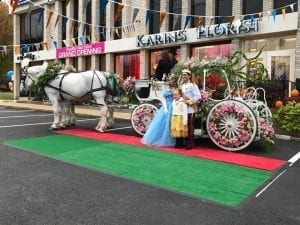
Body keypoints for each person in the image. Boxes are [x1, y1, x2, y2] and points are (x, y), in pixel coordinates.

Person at [141, 74, 178, 147]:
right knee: (163, 122)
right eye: (170, 79)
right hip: (167, 105)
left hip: (174, 105)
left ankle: (173, 139)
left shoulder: (177, 88)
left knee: (171, 122)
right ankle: (159, 139)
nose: (171, 81)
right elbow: (163, 98)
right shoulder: (167, 87)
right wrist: (165, 108)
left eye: (173, 79)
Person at [179, 69, 201, 149]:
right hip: (182, 108)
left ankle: (191, 143)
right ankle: (184, 141)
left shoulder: (193, 85)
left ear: (189, 76)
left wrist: (189, 102)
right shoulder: (181, 85)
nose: (183, 76)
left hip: (190, 108)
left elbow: (198, 96)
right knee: (184, 125)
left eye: (185, 75)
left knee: (190, 125)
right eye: (182, 75)